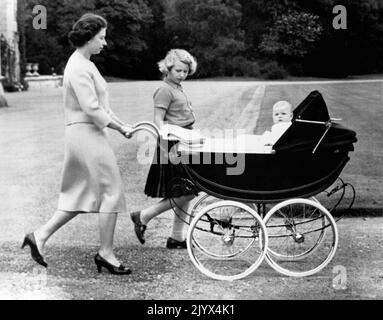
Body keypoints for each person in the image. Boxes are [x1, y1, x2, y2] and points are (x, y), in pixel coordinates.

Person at [21, 13, 133, 275]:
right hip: (85, 134)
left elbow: (103, 107)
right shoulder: (79, 66)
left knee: (81, 193)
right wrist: (118, 127)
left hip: (87, 134)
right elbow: (92, 109)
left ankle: (39, 236)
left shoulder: (86, 63)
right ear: (88, 38)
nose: (104, 43)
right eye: (101, 38)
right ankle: (105, 253)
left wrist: (122, 125)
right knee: (111, 192)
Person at [130, 49, 198, 249]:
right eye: (178, 70)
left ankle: (177, 237)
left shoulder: (178, 87)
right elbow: (158, 120)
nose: (182, 74)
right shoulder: (164, 90)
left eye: (185, 71)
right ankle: (143, 216)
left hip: (185, 140)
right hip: (171, 144)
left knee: (185, 188)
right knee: (188, 191)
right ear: (167, 68)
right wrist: (168, 137)